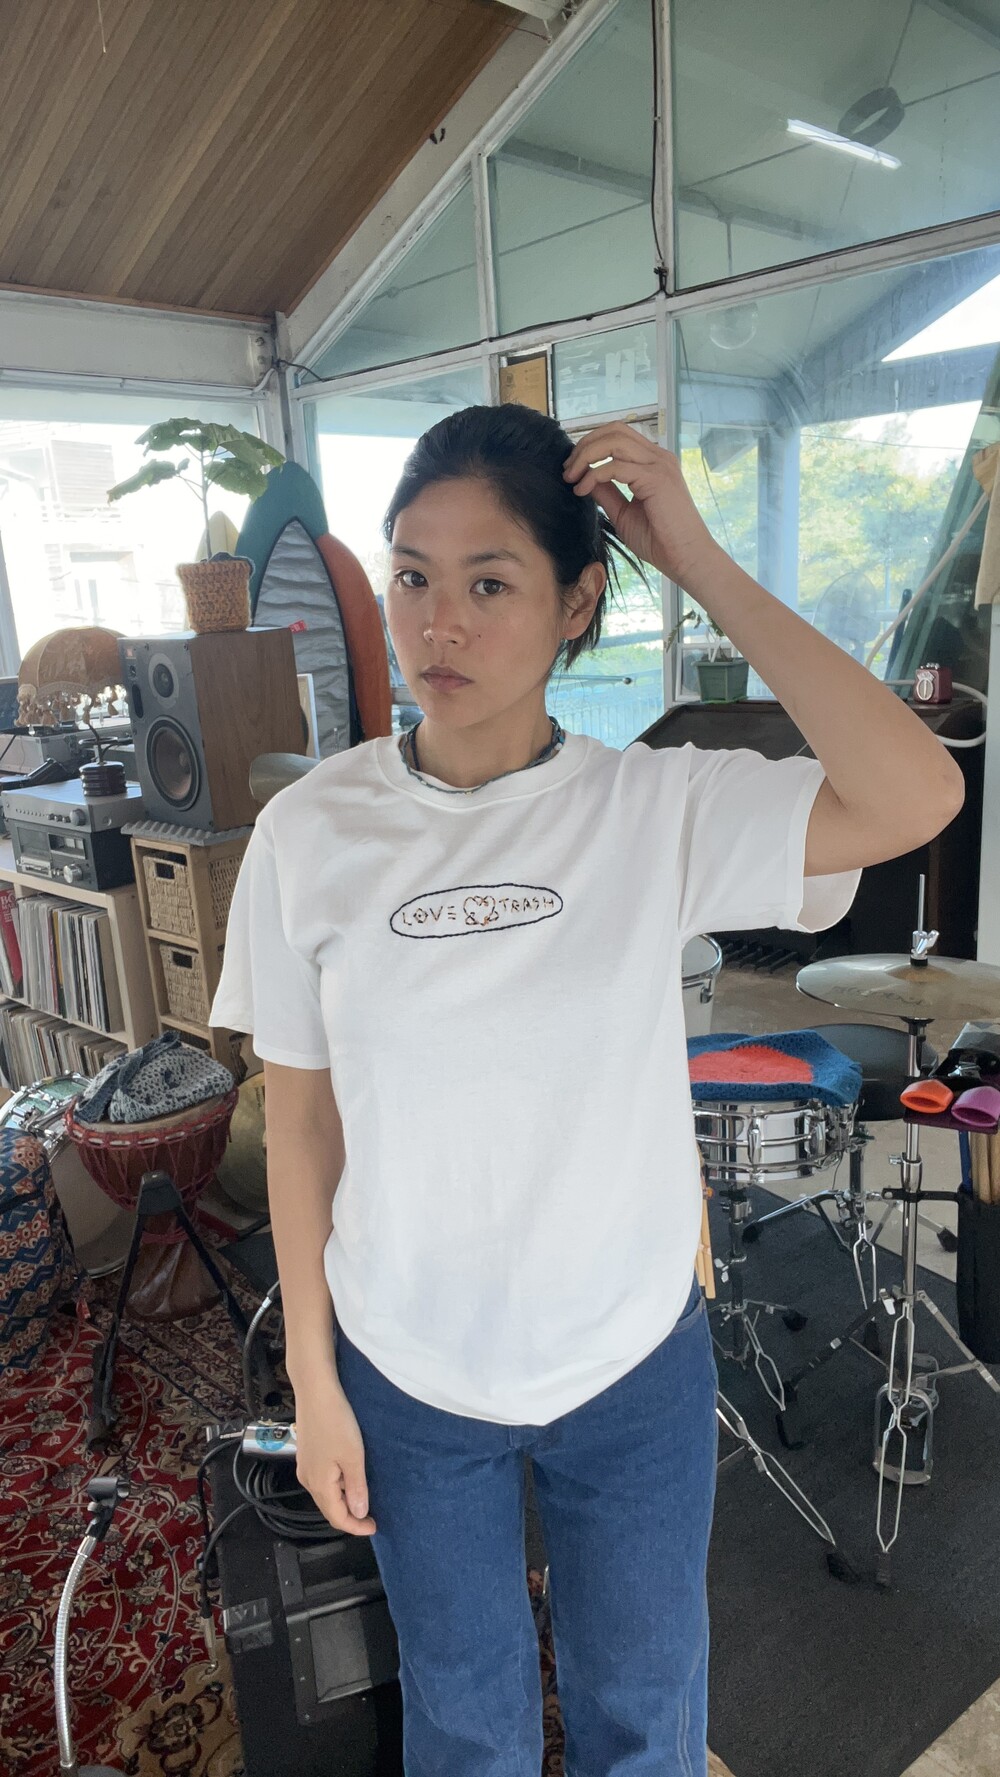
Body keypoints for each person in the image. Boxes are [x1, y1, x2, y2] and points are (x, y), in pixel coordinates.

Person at [210, 405, 963, 1777]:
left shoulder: (653, 806)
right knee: (465, 1726)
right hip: (410, 1367)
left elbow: (916, 792)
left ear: (577, 606)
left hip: (628, 1362)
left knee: (645, 1721)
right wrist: (314, 1379)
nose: (438, 622)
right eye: (413, 574)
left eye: (491, 582)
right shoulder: (310, 831)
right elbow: (302, 1123)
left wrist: (705, 565)